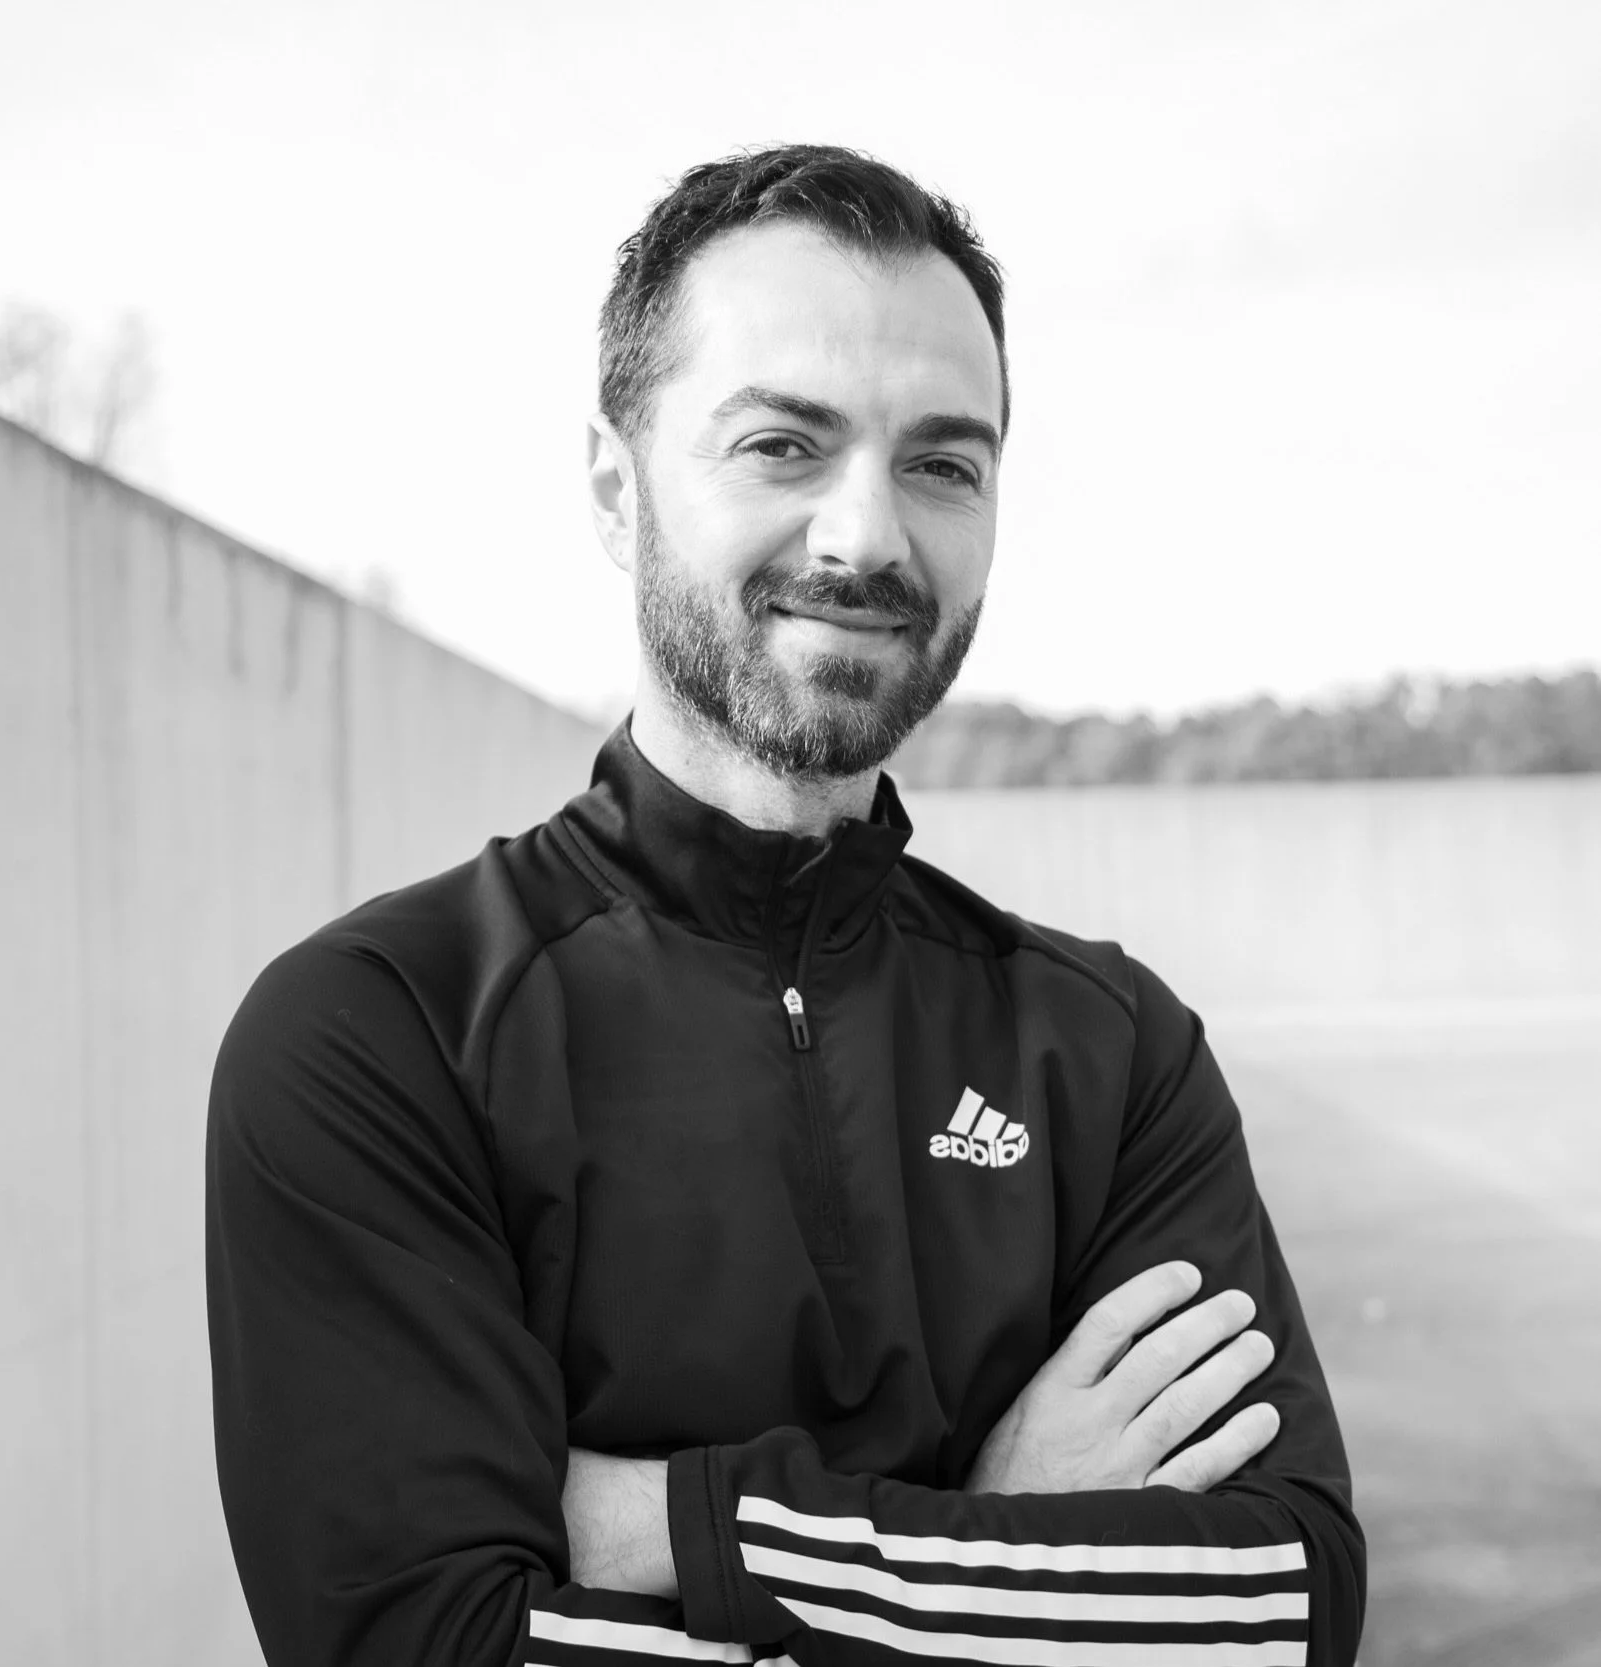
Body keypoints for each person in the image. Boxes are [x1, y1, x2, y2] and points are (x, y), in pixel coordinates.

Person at [206, 144, 1366, 1666]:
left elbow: (1275, 1610)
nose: (868, 537)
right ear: (616, 491)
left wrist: (665, 1532)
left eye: (943, 462)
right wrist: (992, 1521)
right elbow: (422, 1641)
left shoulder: (1109, 1052)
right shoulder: (385, 1031)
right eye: (780, 445)